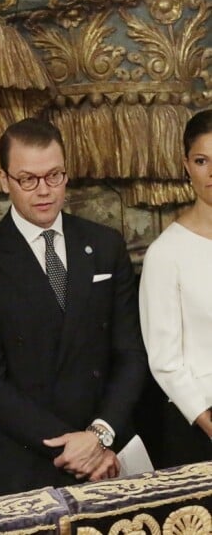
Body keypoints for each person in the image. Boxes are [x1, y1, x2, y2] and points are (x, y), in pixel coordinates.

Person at [0, 118, 147, 496]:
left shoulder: (104, 245)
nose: (44, 191)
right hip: (25, 463)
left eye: (54, 176)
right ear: (3, 179)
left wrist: (99, 435)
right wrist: (72, 446)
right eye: (28, 179)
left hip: (108, 456)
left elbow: (130, 354)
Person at [139, 109, 212, 467]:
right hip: (201, 425)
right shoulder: (166, 253)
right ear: (186, 165)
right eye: (202, 160)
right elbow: (165, 360)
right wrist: (205, 417)